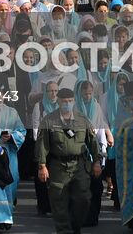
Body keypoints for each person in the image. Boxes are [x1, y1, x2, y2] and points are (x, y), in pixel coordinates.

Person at [34, 88, 100, 234]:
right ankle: (64, 230)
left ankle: (75, 226)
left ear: (74, 101)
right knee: (58, 202)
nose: (67, 104)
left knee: (83, 199)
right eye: (64, 101)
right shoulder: (49, 120)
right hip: (58, 166)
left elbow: (92, 141)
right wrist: (42, 166)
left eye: (70, 101)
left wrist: (97, 161)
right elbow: (42, 144)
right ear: (58, 101)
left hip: (79, 166)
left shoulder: (82, 119)